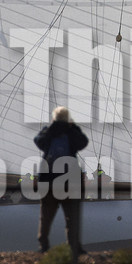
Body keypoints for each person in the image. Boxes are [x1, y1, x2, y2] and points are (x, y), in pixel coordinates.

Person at [33, 105, 89, 254]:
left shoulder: (49, 132)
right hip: (69, 182)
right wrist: (73, 127)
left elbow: (38, 141)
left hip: (49, 181)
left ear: (54, 118)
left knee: (46, 215)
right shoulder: (71, 133)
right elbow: (83, 142)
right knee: (72, 216)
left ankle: (43, 245)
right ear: (68, 118)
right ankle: (74, 246)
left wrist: (51, 127)